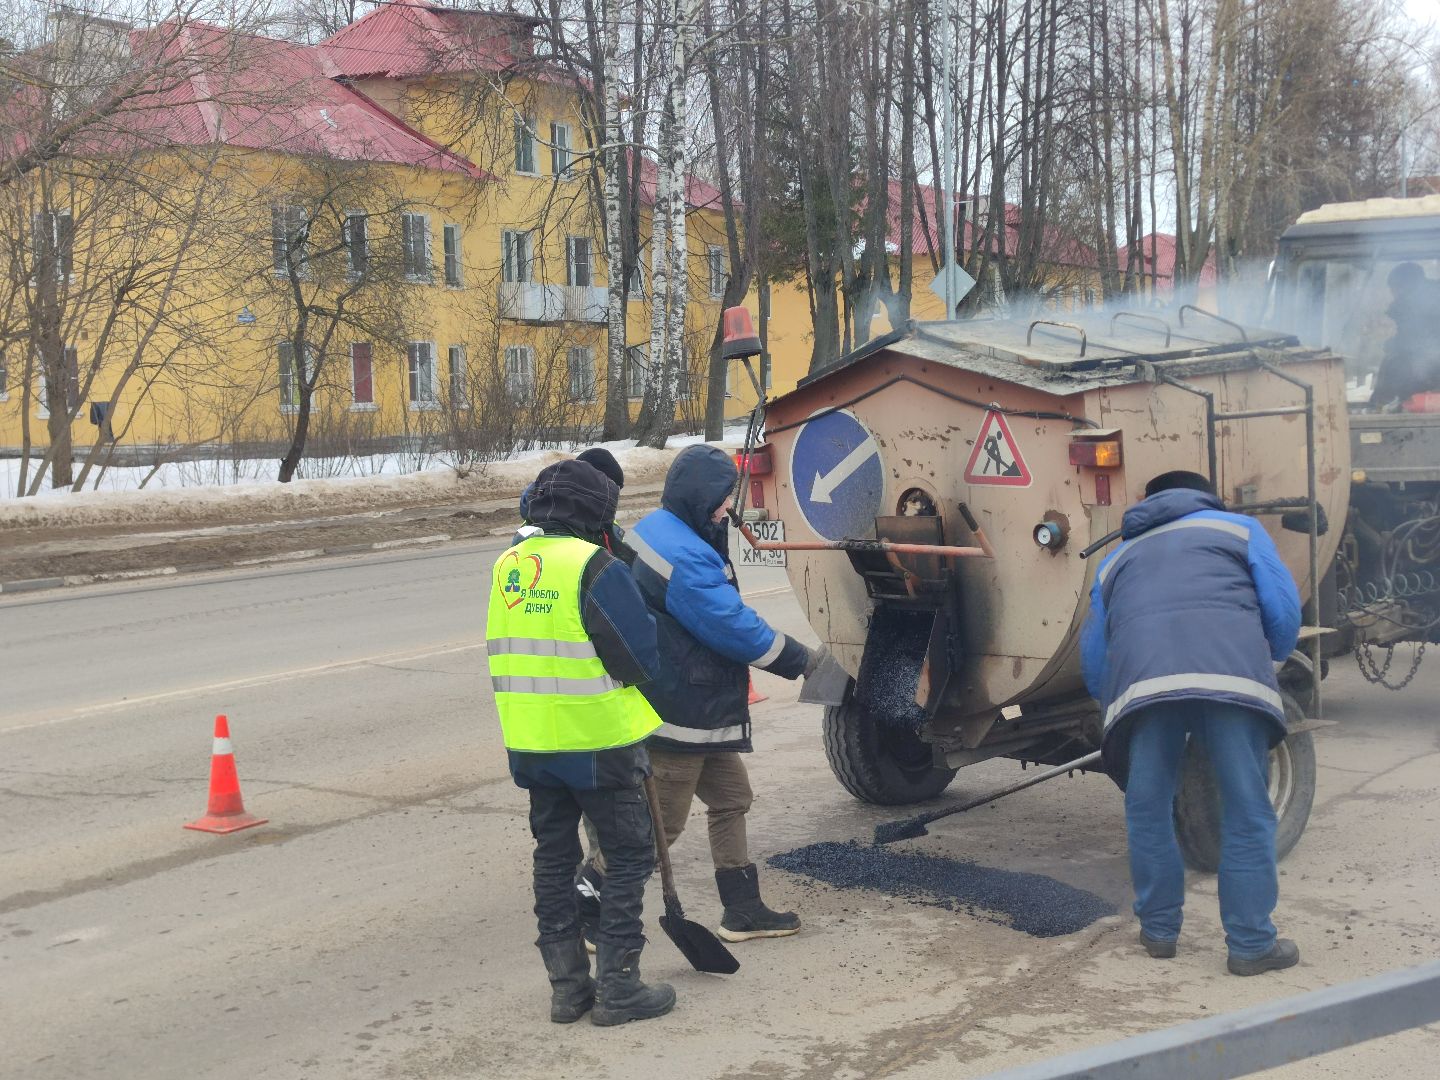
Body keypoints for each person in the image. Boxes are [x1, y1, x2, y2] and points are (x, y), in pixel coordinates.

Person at [1081, 470, 1303, 976]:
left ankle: (1159, 932)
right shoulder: (1239, 529)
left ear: (1147, 502)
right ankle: (1251, 944)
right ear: (1204, 495)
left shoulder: (1115, 559)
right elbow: (1282, 612)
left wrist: (1111, 698)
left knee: (1148, 808)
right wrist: (1264, 657)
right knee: (1246, 807)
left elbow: (1094, 655)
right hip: (1229, 674)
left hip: (1145, 688)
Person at [486, 458, 675, 1025]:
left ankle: (568, 989)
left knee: (553, 859)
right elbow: (638, 659)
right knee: (630, 855)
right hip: (596, 742)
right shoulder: (593, 566)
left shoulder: (509, 563)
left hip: (531, 741)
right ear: (596, 514)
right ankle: (619, 986)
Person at [626, 444, 824, 942]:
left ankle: (742, 909)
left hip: (699, 704)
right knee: (661, 827)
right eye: (721, 499)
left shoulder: (661, 527)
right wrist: (802, 660)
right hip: (681, 712)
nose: (727, 509)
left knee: (733, 798)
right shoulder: (684, 556)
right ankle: (595, 907)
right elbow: (730, 624)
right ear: (698, 497)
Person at [1371, 262, 1440, 409]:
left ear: (1403, 287)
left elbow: (1411, 346)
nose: (1394, 296)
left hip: (1423, 391)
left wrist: (1376, 404)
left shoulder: (1408, 308)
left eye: (1394, 290)